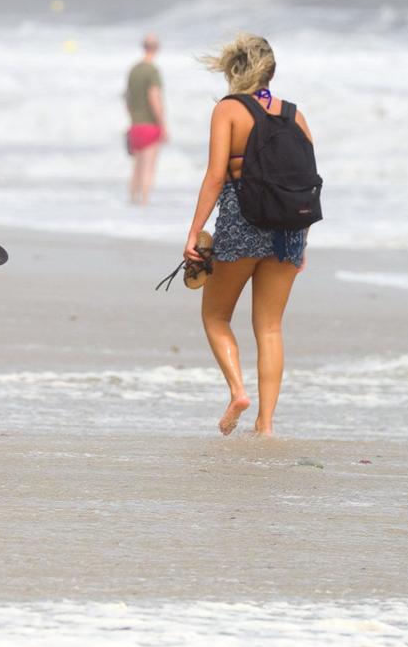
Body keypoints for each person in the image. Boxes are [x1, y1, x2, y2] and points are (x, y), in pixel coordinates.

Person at [182, 34, 311, 437]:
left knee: (216, 317)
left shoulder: (229, 111)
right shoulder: (295, 115)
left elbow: (216, 176)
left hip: (241, 225)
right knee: (270, 327)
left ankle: (238, 391)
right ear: (271, 71)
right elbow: (305, 182)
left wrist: (193, 230)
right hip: (288, 231)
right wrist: (301, 240)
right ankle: (266, 425)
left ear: (232, 70)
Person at [125, 34, 167, 205]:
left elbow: (127, 97)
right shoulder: (152, 70)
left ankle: (132, 201)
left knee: (137, 168)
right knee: (149, 169)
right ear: (156, 48)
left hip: (135, 125)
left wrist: (133, 117)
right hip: (150, 126)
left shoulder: (134, 70)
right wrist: (163, 125)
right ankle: (144, 205)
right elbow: (154, 97)